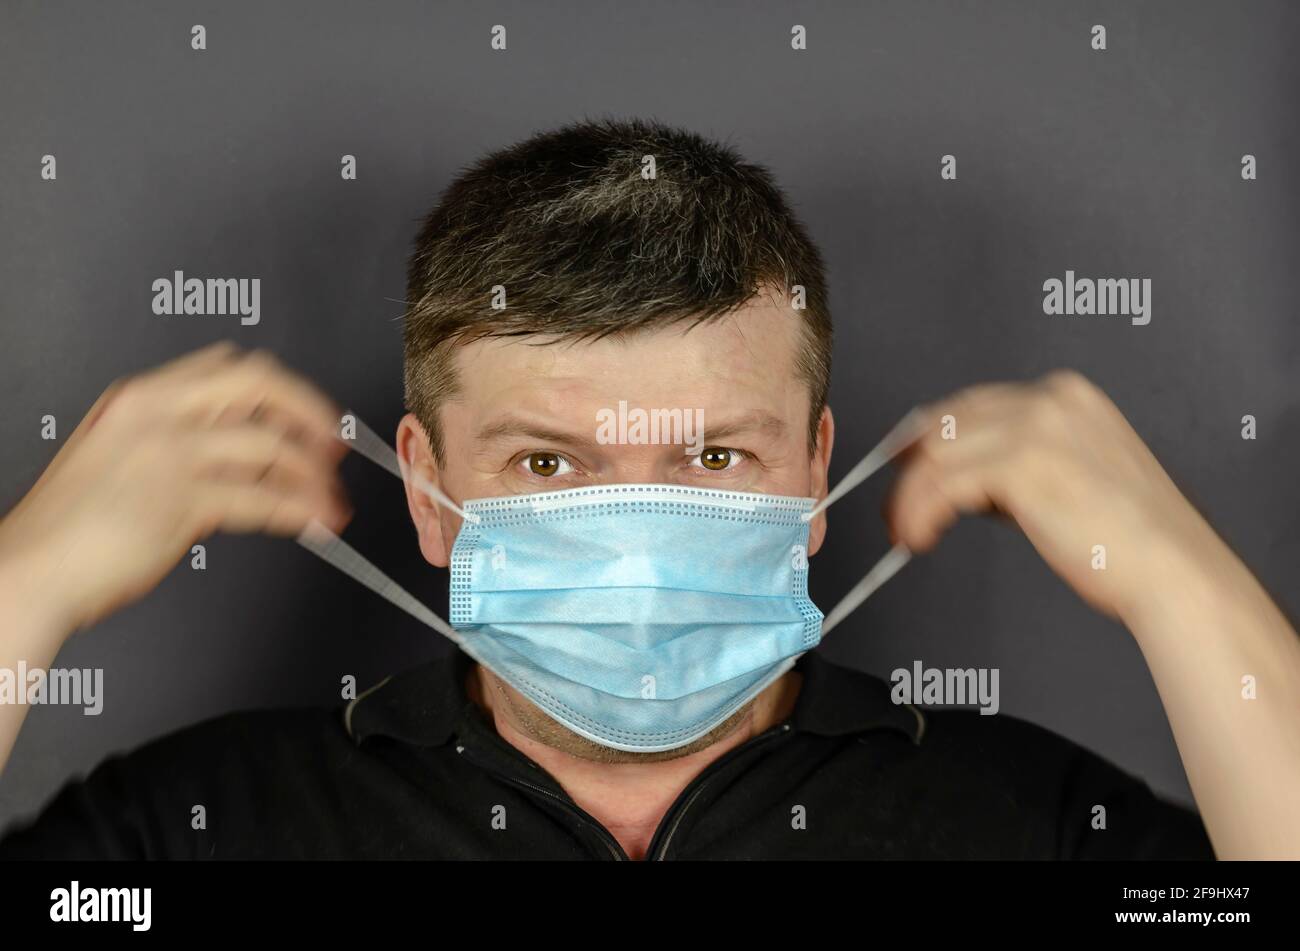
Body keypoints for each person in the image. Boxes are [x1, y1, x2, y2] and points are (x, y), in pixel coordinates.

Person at [0, 119, 1295, 860]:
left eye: (711, 458)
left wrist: (1183, 586)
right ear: (431, 492)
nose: (629, 538)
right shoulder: (200, 832)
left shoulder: (1029, 828)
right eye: (549, 463)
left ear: (815, 475)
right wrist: (26, 583)